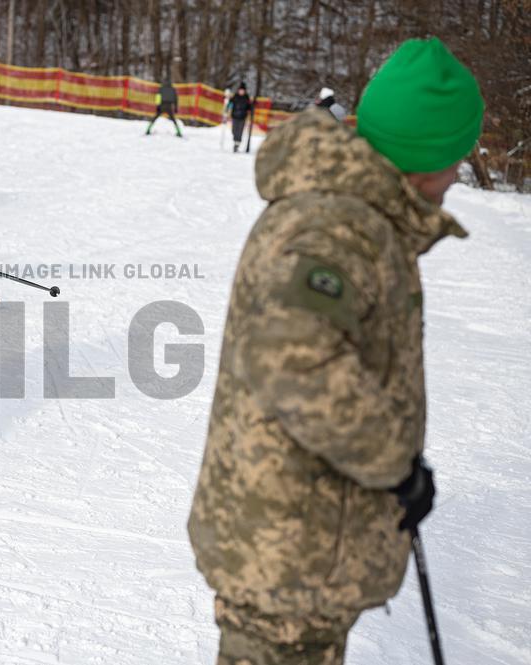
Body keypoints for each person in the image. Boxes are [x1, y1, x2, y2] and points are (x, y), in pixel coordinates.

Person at [188, 37, 483, 665]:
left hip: (305, 546)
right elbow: (294, 360)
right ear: (427, 156)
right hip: (286, 555)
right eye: (456, 156)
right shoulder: (337, 228)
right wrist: (394, 462)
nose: (458, 173)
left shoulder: (357, 216)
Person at [226, 81, 252, 152]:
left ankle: (237, 144)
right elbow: (230, 103)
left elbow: (249, 106)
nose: (241, 92)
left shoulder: (246, 97)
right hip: (235, 116)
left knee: (240, 131)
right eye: (240, 90)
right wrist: (227, 107)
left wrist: (251, 109)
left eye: (242, 90)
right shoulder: (235, 96)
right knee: (234, 130)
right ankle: (235, 141)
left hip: (242, 117)